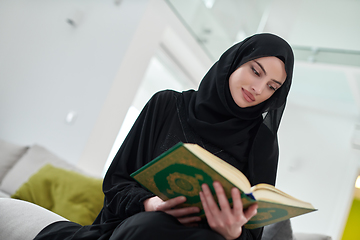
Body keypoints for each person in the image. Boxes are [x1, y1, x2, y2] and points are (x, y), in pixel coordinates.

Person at [34, 33, 294, 240]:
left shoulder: (263, 143)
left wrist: (232, 232)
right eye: (255, 71)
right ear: (234, 61)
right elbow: (115, 185)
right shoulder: (167, 104)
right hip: (140, 224)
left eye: (272, 87)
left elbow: (252, 233)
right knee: (152, 226)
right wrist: (152, 204)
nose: (258, 89)